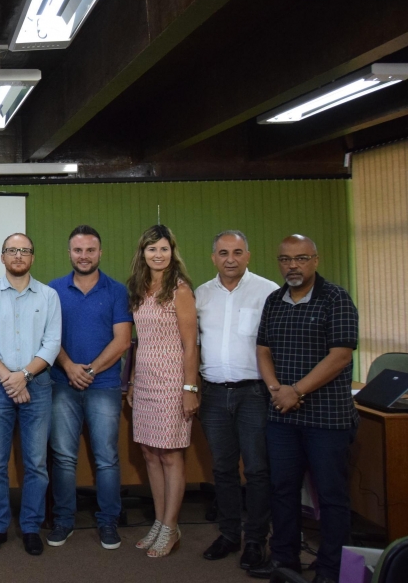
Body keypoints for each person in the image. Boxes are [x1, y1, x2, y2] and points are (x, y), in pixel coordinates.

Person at [248, 235, 358, 583]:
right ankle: (285, 561)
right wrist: (275, 390)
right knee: (282, 490)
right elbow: (263, 348)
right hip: (282, 416)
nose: (292, 266)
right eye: (285, 259)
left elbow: (340, 355)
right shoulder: (274, 300)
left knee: (331, 496)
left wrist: (296, 390)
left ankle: (330, 569)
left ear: (315, 260)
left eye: (300, 258)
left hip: (327, 419)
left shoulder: (336, 298)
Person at [0, 233, 61, 556]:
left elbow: (52, 343)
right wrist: (9, 378)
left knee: (36, 463)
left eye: (25, 251)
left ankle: (31, 527)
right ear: (2, 256)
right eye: (12, 250)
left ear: (32, 258)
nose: (19, 256)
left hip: (36, 385)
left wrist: (23, 376)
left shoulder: (49, 296)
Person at [195, 231, 278, 570]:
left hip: (254, 394)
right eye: (223, 252)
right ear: (213, 257)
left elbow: (276, 344)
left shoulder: (268, 291)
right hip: (213, 393)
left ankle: (256, 540)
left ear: (248, 255)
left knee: (257, 470)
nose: (231, 258)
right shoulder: (201, 294)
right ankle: (230, 534)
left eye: (237, 252)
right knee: (223, 469)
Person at [46, 226, 132, 550]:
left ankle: (108, 521)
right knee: (64, 458)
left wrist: (91, 370)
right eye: (78, 250)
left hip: (104, 385)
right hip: (61, 384)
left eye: (90, 250)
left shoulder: (117, 291)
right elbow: (49, 339)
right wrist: (69, 367)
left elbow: (122, 340)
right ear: (69, 253)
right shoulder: (52, 290)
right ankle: (64, 521)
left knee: (107, 458)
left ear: (100, 253)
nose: (84, 256)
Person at [126, 224, 198, 558]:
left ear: (173, 252)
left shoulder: (180, 290)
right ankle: (159, 521)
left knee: (170, 454)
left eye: (164, 249)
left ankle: (171, 526)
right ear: (143, 253)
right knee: (150, 454)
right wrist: (132, 380)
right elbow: (139, 341)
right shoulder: (138, 288)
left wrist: (189, 388)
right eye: (152, 249)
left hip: (173, 382)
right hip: (145, 382)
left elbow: (190, 344)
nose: (158, 254)